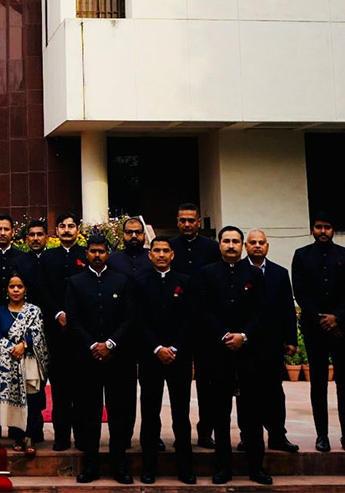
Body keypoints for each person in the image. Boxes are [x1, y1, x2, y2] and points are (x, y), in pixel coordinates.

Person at [194, 227, 270, 486]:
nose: (230, 245)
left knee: (252, 415)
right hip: (218, 354)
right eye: (226, 241)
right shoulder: (207, 273)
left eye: (235, 241)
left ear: (242, 246)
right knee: (220, 414)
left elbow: (262, 310)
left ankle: (256, 468)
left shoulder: (255, 274)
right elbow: (203, 310)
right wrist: (225, 335)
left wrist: (244, 336)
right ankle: (223, 468)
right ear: (219, 245)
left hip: (249, 354)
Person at [64, 232, 136, 485]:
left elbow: (129, 317)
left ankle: (120, 467)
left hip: (117, 359)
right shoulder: (75, 282)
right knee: (89, 415)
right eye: (93, 251)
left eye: (101, 251)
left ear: (108, 254)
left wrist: (111, 344)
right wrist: (94, 345)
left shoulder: (122, 281)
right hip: (87, 359)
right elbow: (73, 319)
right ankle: (91, 466)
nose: (97, 255)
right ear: (86, 254)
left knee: (119, 415)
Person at [290, 212, 345, 457]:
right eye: (319, 227)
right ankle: (322, 435)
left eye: (327, 227)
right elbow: (300, 291)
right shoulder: (301, 255)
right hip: (315, 329)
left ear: (333, 230)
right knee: (318, 383)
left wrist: (337, 318)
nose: (323, 231)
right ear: (312, 229)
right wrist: (320, 318)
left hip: (342, 330)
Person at [135, 238, 195, 485]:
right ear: (150, 255)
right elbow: (137, 318)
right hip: (151, 357)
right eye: (156, 250)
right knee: (150, 413)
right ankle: (149, 467)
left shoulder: (186, 282)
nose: (161, 254)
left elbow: (191, 318)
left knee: (181, 414)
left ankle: (185, 468)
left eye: (165, 251)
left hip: (179, 357)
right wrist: (157, 348)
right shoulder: (139, 282)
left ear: (172, 255)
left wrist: (175, 347)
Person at [168, 203, 222, 449]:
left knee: (207, 383)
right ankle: (180, 434)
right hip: (177, 325)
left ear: (199, 222)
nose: (187, 224)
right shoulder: (170, 246)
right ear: (177, 222)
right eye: (183, 220)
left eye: (191, 220)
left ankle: (205, 431)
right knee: (178, 386)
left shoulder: (212, 248)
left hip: (205, 326)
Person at [243, 230, 299, 454]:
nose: (257, 246)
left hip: (273, 343)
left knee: (274, 391)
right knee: (247, 393)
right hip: (246, 343)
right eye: (253, 242)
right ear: (246, 246)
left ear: (267, 246)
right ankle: (248, 437)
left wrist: (291, 339)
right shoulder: (237, 271)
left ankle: (277, 435)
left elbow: (287, 308)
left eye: (261, 243)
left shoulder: (279, 273)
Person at [39, 213, 87, 451]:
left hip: (82, 334)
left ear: (78, 229)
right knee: (59, 389)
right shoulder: (48, 257)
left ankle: (82, 436)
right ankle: (61, 437)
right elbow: (43, 290)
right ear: (56, 230)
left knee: (82, 389)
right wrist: (58, 313)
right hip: (55, 332)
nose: (67, 230)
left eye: (71, 226)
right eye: (62, 226)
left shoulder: (87, 255)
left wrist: (76, 317)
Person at [0, 272, 49, 458]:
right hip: (8, 363)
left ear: (25, 289)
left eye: (20, 286)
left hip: (29, 362)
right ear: (7, 290)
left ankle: (30, 436)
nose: (16, 290)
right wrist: (12, 348)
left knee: (32, 400)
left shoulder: (34, 311)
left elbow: (38, 334)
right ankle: (17, 436)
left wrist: (23, 345)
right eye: (12, 286)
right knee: (13, 400)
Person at [107, 216, 152, 280]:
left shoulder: (153, 257)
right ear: (123, 235)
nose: (134, 236)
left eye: (138, 232)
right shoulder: (112, 259)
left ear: (144, 235)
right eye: (129, 232)